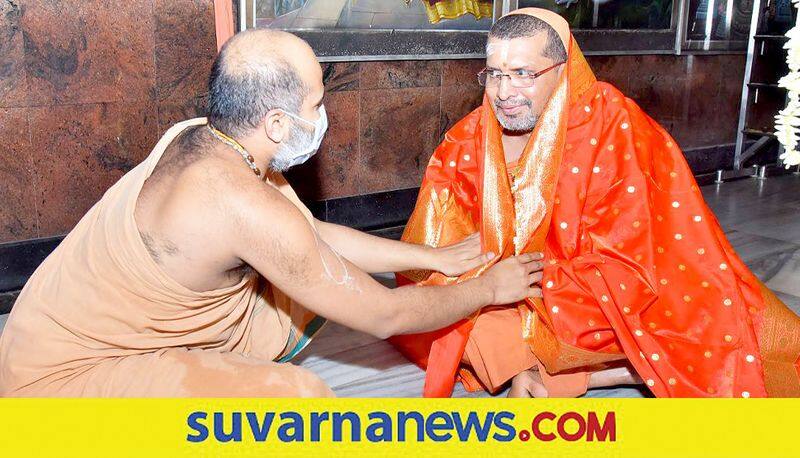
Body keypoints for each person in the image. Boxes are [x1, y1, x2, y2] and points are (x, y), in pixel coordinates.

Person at [0, 30, 543, 397]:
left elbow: (307, 233)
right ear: (279, 125)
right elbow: (386, 315)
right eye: (316, 104)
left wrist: (435, 257)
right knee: (299, 400)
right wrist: (487, 290)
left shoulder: (202, 137)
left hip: (50, 329)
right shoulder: (242, 204)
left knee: (294, 294)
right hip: (59, 382)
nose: (323, 115)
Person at [389, 8, 800, 398]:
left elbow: (636, 256)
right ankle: (589, 371)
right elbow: (438, 239)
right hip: (500, 285)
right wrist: (487, 281)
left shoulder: (613, 123)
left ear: (563, 68)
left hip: (587, 291)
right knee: (428, 308)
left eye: (522, 74)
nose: (502, 92)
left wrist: (542, 281)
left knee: (687, 320)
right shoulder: (468, 138)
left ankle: (560, 369)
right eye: (493, 74)